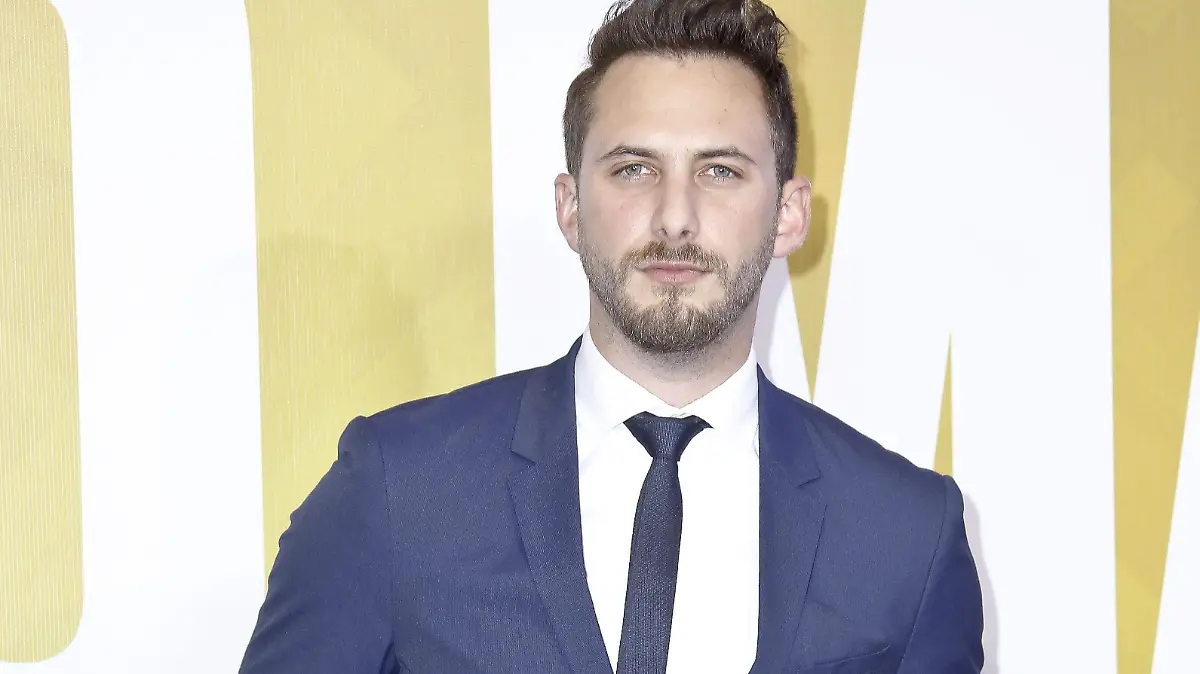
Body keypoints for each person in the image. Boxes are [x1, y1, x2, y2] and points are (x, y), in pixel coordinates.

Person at [238, 0, 985, 672]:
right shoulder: (397, 488)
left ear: (789, 214)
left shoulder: (906, 534)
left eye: (720, 172)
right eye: (633, 169)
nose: (675, 218)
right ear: (570, 206)